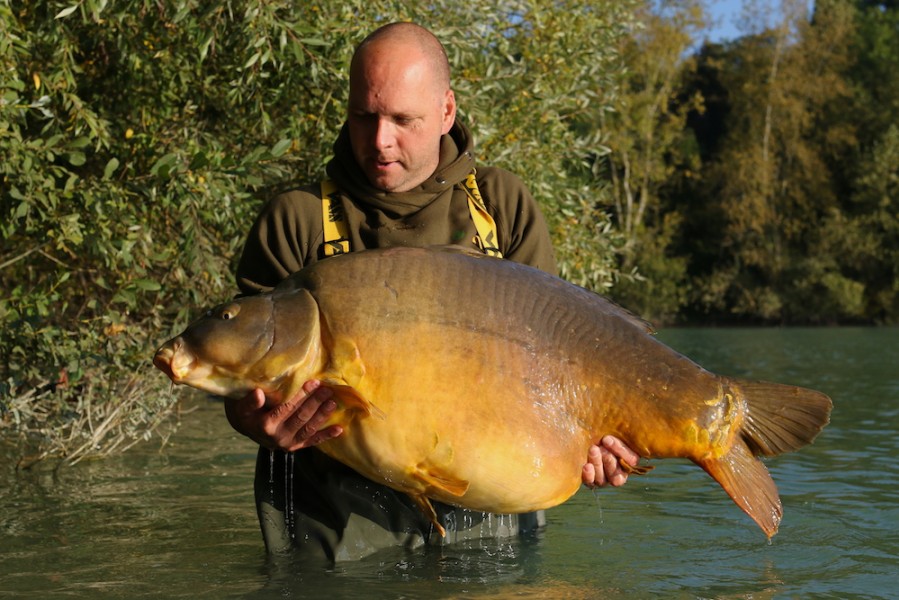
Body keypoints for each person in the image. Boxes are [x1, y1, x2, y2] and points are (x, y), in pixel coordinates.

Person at [225, 22, 640, 562]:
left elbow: (563, 362)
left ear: (446, 112)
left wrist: (598, 443)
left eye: (403, 119)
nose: (379, 140)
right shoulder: (296, 219)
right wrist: (254, 422)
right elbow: (237, 382)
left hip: (490, 524)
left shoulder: (502, 206)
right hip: (336, 535)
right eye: (364, 116)